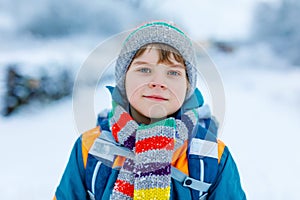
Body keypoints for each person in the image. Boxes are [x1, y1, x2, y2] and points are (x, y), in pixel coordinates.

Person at [53, 21, 246, 200]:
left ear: (187, 87)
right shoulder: (90, 148)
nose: (158, 83)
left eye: (173, 72)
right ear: (123, 80)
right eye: (144, 70)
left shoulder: (212, 156)